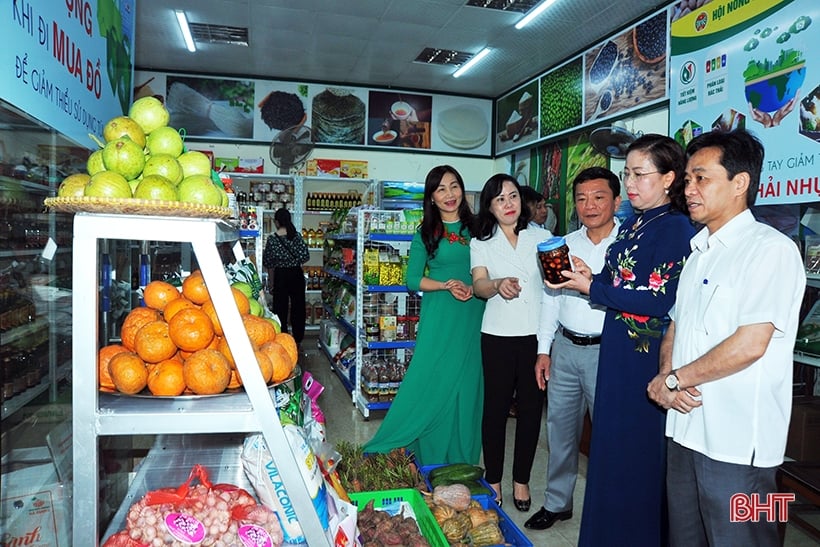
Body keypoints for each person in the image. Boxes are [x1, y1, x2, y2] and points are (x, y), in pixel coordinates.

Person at [647, 129, 805, 546]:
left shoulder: (771, 249)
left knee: (747, 539)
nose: (690, 189)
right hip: (684, 431)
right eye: (687, 179)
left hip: (741, 448)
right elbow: (676, 324)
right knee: (685, 539)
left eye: (701, 178)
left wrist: (677, 379)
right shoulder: (699, 249)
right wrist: (667, 374)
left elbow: (751, 343)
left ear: (740, 183)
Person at [546, 134, 696, 546]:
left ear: (669, 179)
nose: (630, 182)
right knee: (607, 458)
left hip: (643, 362)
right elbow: (620, 283)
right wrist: (588, 277)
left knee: (635, 462)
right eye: (627, 173)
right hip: (616, 353)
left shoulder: (676, 229)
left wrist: (590, 287)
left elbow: (660, 298)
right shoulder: (633, 224)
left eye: (640, 174)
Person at [364, 165, 485, 465]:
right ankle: (419, 447)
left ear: (463, 190)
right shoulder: (426, 234)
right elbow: (412, 279)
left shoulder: (480, 228)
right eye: (441, 189)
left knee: (467, 383)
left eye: (454, 186)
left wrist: (477, 286)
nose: (449, 194)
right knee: (429, 377)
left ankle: (461, 458)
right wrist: (445, 285)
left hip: (475, 312)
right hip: (441, 312)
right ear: (431, 197)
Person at [524, 167, 621, 530]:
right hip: (565, 349)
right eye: (581, 198)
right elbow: (551, 300)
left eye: (598, 197)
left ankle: (609, 508)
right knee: (560, 432)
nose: (589, 205)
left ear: (616, 200)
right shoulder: (564, 245)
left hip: (607, 353)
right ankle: (557, 503)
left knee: (609, 435)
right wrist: (543, 350)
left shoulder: (627, 246)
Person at [470, 174, 551, 511]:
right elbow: (478, 286)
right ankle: (493, 479)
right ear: (490, 205)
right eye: (500, 199)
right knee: (496, 410)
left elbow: (556, 285)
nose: (508, 204)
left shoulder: (544, 238)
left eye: (513, 196)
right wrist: (497, 284)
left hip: (536, 336)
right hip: (498, 336)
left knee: (532, 411)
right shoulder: (482, 241)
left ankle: (521, 480)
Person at [262, 208, 310, 344]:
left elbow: (268, 263)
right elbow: (305, 257)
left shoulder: (272, 239)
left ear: (276, 222)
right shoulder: (296, 236)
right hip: (296, 274)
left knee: (280, 308)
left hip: (280, 275)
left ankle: (282, 336)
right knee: (298, 307)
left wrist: (271, 283)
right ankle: (298, 338)